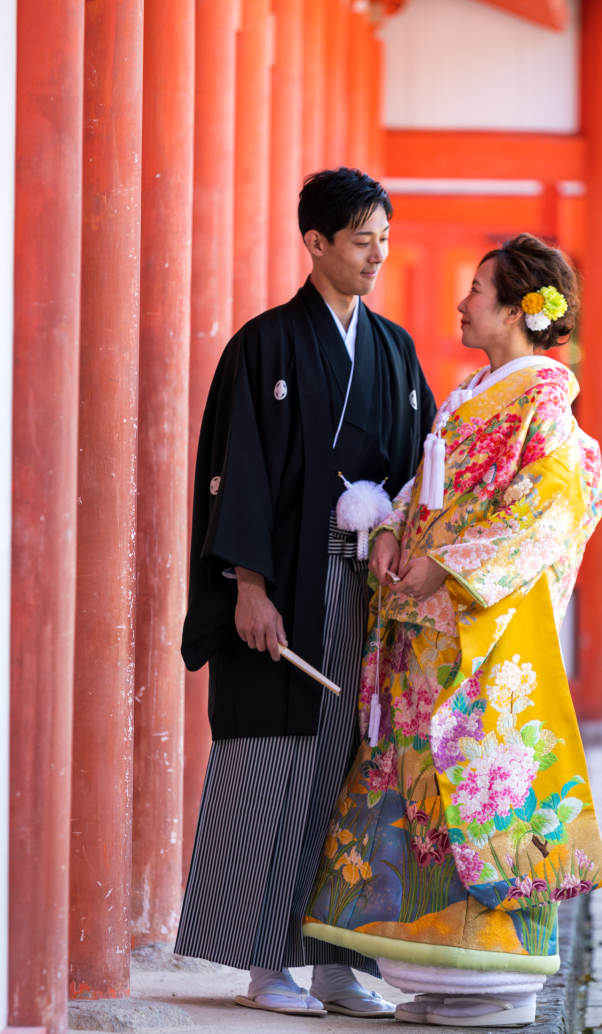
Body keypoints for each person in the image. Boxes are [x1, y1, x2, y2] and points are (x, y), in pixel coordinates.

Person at [304, 234, 602, 1027]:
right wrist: (389, 529)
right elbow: (427, 487)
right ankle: (437, 977)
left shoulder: (545, 399)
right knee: (423, 799)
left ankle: (500, 986)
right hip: (426, 635)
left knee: (485, 793)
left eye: (477, 289)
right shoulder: (471, 393)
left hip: (481, 637)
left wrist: (447, 566)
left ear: (517, 310)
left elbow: (551, 507)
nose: (462, 303)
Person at [176, 167, 436, 1017]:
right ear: (315, 242)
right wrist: (247, 586)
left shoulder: (394, 349)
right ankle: (264, 965)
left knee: (352, 767)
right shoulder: (265, 345)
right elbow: (238, 473)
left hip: (366, 584)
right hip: (288, 579)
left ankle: (336, 965)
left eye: (384, 239)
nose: (377, 256)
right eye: (361, 240)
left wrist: (401, 535)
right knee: (273, 760)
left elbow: (421, 466)